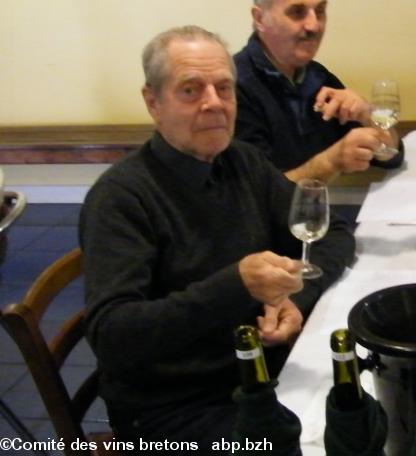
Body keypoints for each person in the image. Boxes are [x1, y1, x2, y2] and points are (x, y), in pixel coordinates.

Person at [80, 26, 355, 449]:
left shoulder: (241, 161)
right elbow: (114, 337)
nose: (214, 103)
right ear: (153, 102)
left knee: (369, 409)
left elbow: (332, 233)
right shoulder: (121, 199)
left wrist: (294, 300)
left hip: (257, 369)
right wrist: (237, 285)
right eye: (191, 90)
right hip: (175, 408)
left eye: (224, 88)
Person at [233, 0, 402, 185]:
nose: (314, 26)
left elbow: (389, 156)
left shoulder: (316, 77)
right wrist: (331, 162)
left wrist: (367, 114)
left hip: (317, 213)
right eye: (297, 12)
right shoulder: (232, 88)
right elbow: (257, 195)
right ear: (260, 18)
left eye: (320, 11)